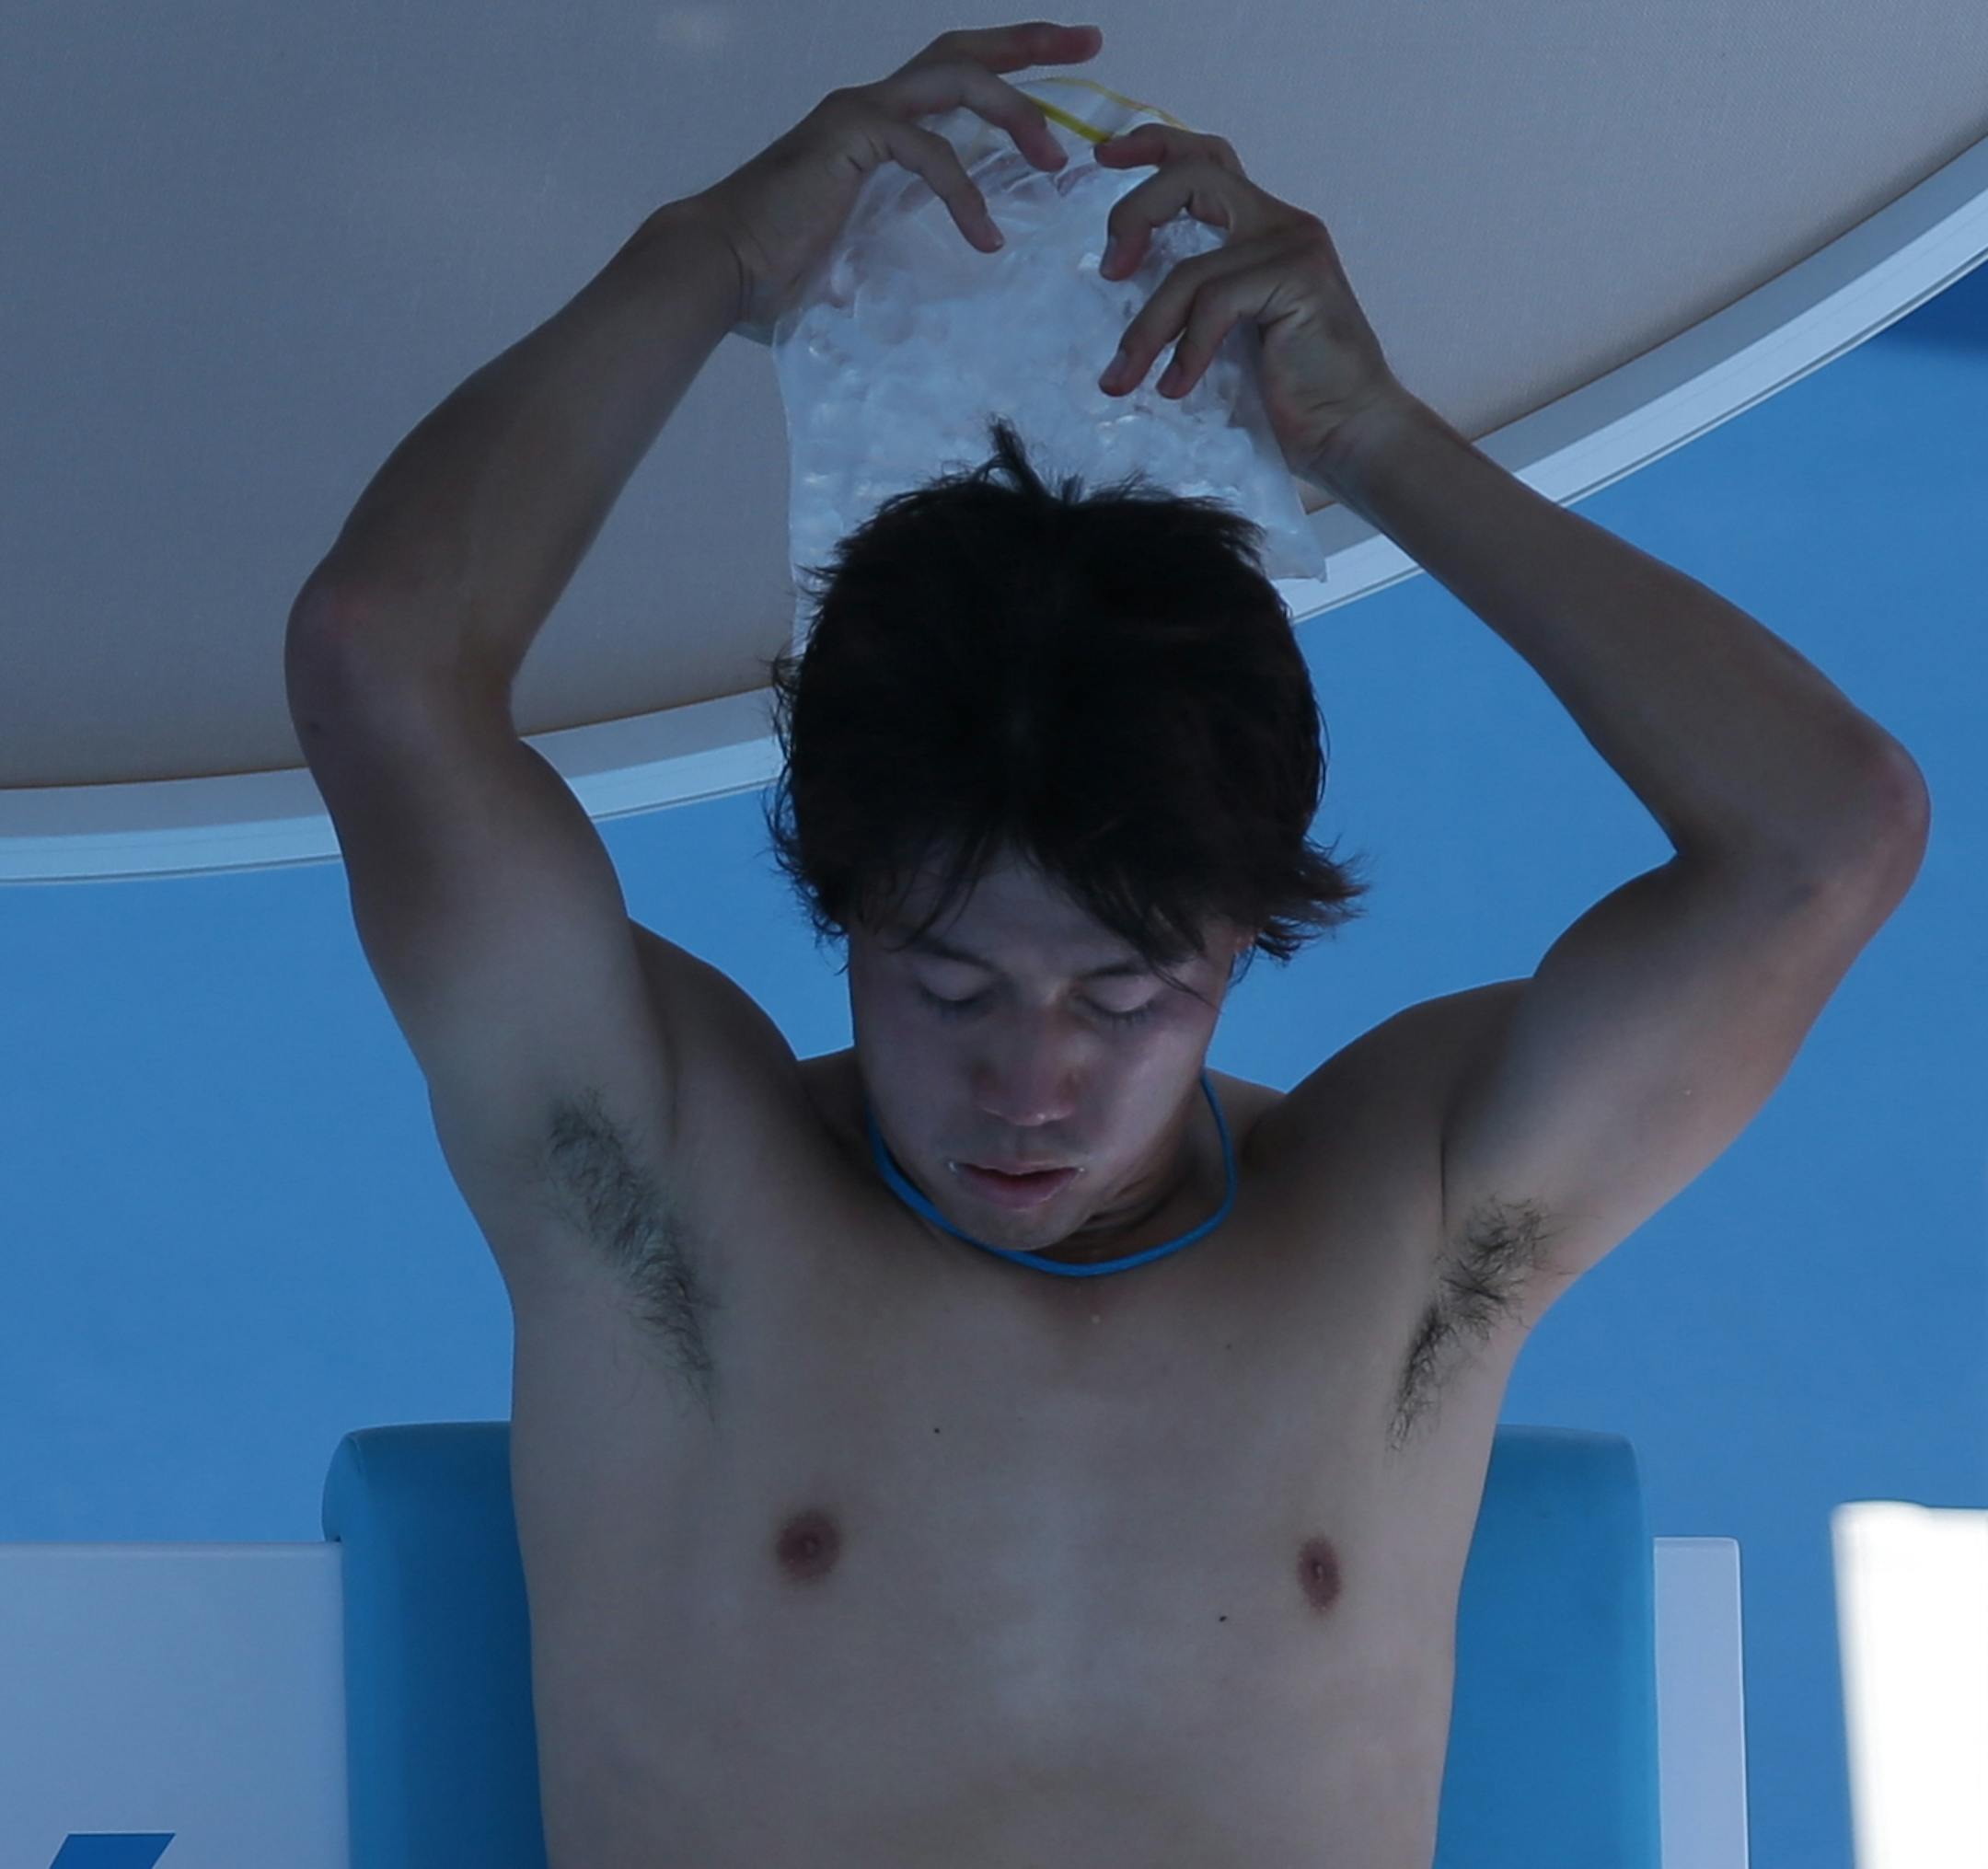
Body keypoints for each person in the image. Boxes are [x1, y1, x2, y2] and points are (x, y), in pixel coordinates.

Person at [284, 19, 1926, 1867]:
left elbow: (1826, 837)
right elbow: (380, 661)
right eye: (949, 981)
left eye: (1125, 993)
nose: (1031, 1080)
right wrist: (711, 258)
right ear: (837, 908)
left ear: (1248, 935)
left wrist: (1371, 435)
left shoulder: (1405, 1228)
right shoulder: (671, 1193)